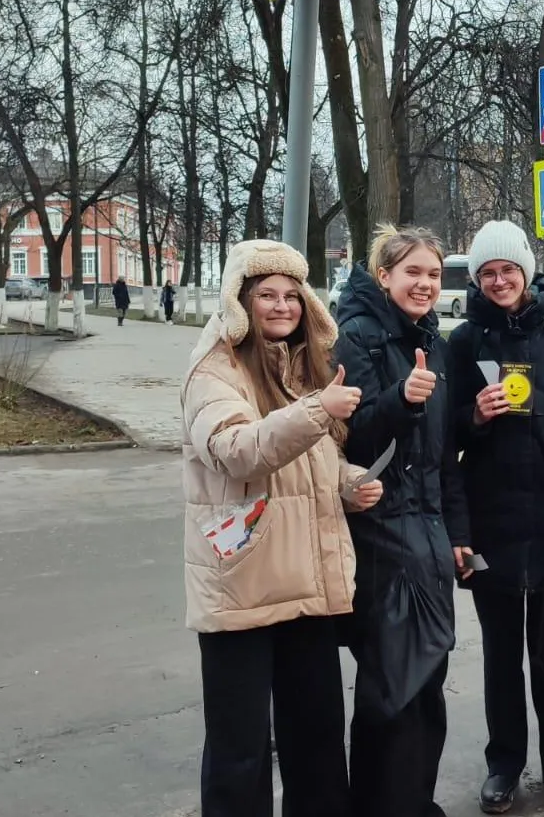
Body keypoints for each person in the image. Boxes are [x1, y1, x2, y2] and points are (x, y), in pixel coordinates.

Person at [180, 239, 382, 817]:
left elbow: (307, 459)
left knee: (317, 742)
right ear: (241, 300)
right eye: (266, 294)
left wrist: (348, 482)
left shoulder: (301, 365)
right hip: (241, 584)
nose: (281, 306)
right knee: (239, 751)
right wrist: (321, 410)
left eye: (292, 295)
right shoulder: (212, 370)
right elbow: (237, 451)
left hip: (304, 585)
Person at [447, 219, 544, 814]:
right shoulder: (463, 342)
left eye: (507, 269)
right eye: (486, 273)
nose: (498, 281)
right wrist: (476, 416)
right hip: (492, 520)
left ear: (526, 272)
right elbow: (447, 431)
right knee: (500, 656)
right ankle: (503, 765)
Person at [332, 225, 472, 817]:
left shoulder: (432, 341)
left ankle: (416, 802)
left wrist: (460, 534)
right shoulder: (356, 337)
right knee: (390, 689)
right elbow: (354, 433)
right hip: (381, 537)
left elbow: (443, 457)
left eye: (434, 275)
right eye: (413, 272)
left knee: (427, 683)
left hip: (432, 538)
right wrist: (404, 398)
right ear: (384, 275)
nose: (425, 284)